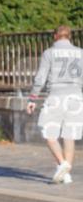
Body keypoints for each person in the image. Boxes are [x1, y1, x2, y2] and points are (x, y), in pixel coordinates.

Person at [27, 25, 83, 184]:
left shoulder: (49, 53)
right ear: (70, 37)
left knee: (49, 134)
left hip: (56, 97)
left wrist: (32, 98)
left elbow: (41, 77)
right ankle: (67, 174)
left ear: (55, 36)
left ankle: (63, 163)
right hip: (76, 98)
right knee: (69, 136)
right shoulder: (81, 53)